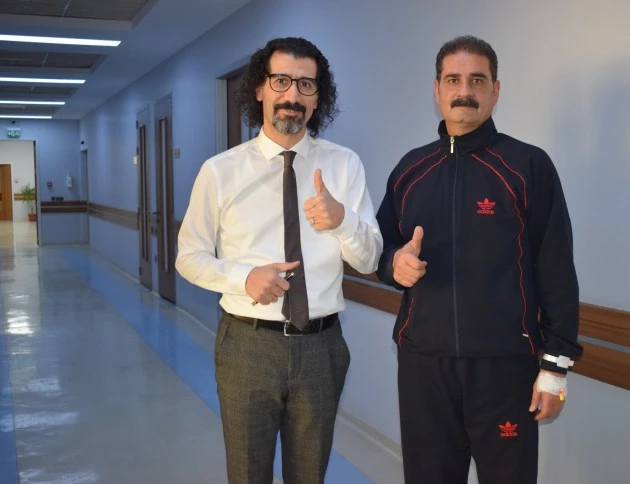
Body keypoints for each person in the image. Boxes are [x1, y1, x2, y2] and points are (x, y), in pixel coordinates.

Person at [375, 35, 583, 484]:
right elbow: (381, 248)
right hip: (424, 366)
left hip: (505, 367)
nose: (464, 90)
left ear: (495, 90)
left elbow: (557, 270)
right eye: (453, 80)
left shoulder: (527, 166)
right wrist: (394, 264)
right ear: (437, 89)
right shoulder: (410, 169)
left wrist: (555, 367)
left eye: (477, 80)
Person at [176, 37, 382, 484]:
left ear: (318, 97)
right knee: (248, 473)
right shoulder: (220, 171)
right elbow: (188, 257)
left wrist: (343, 221)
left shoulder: (344, 166)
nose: (293, 95)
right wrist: (242, 277)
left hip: (322, 348)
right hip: (247, 345)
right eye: (281, 81)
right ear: (259, 89)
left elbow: (369, 260)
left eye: (306, 85)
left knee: (309, 475)